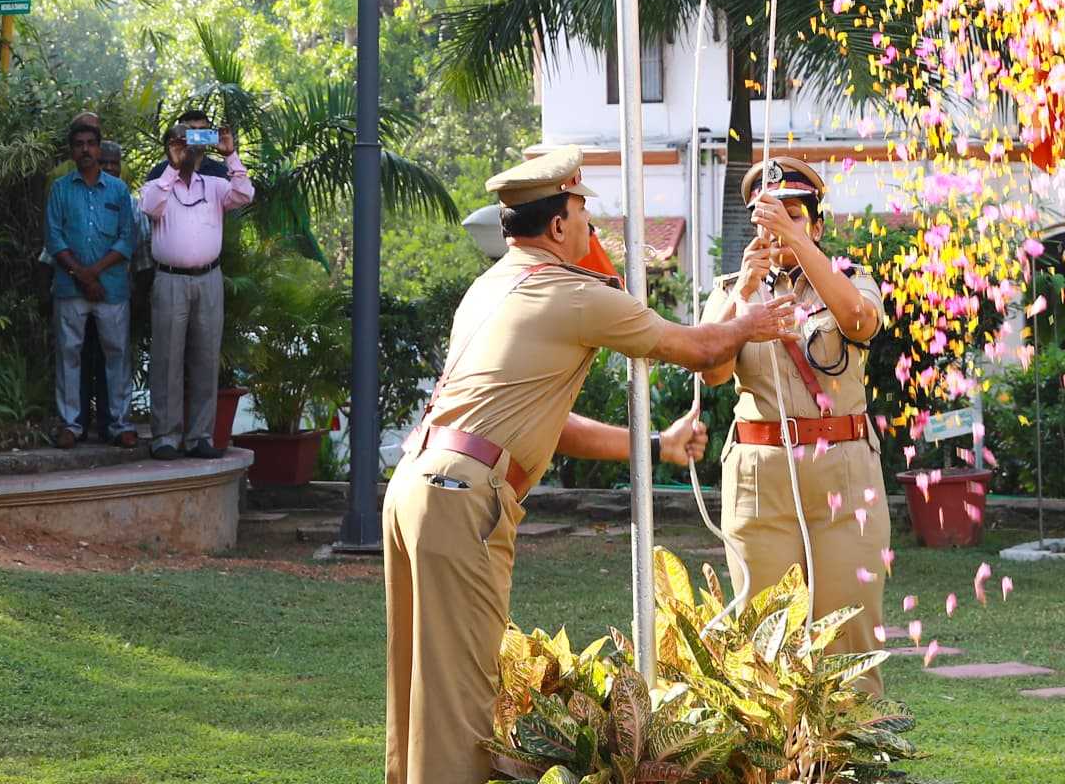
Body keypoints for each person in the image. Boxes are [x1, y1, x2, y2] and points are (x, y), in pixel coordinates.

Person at [380, 143, 801, 784]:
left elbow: (553, 425)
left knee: (416, 689)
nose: (592, 228)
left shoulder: (492, 285)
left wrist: (656, 445)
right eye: (583, 213)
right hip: (461, 498)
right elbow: (693, 347)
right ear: (557, 225)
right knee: (462, 703)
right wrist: (751, 321)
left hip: (417, 485)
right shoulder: (575, 295)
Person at [699, 158, 889, 651]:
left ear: (818, 225)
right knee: (766, 641)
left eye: (796, 216)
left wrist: (798, 245)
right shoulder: (730, 291)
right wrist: (742, 292)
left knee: (848, 636)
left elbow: (859, 320)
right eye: (772, 217)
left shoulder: (852, 278)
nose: (782, 227)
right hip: (761, 477)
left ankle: (848, 731)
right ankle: (771, 735)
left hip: (843, 474)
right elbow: (711, 372)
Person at [134, 105, 253, 458]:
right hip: (170, 279)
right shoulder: (159, 177)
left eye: (203, 134)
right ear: (176, 137)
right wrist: (173, 165)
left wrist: (231, 155)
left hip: (209, 278)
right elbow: (150, 207)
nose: (195, 142)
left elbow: (245, 195)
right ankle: (165, 437)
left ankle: (200, 436)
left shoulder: (217, 178)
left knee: (205, 358)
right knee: (167, 358)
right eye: (189, 134)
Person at [44, 112, 138, 445]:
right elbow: (54, 238)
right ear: (72, 151)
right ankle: (71, 424)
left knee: (117, 354)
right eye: (79, 145)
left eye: (91, 144)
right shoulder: (59, 190)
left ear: (99, 149)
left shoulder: (118, 190)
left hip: (110, 289)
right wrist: (80, 275)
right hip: (70, 288)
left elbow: (127, 239)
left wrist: (94, 273)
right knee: (69, 354)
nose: (85, 150)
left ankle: (119, 424)